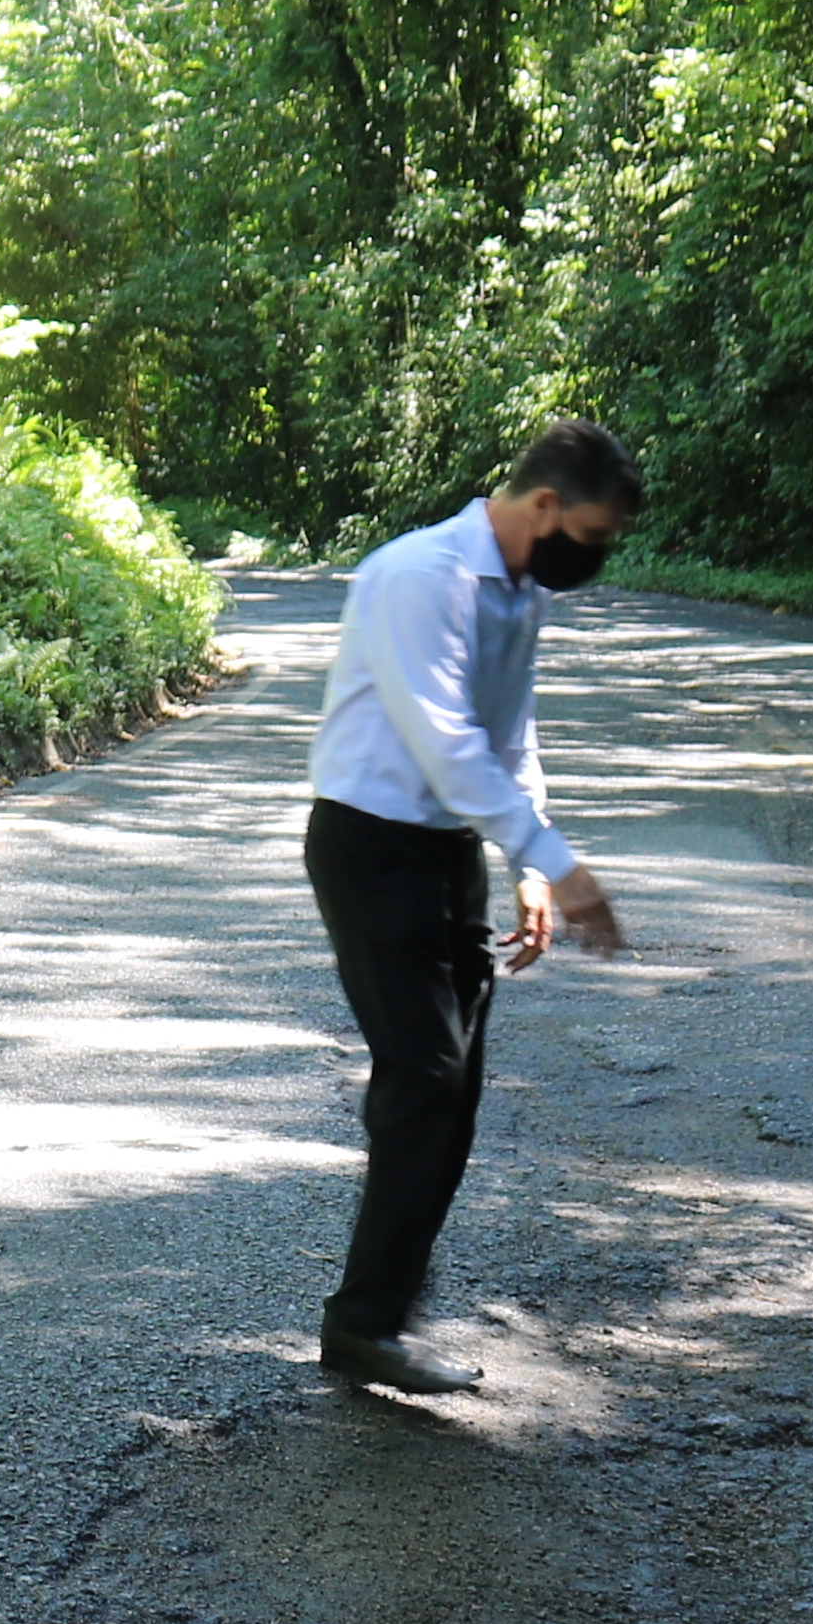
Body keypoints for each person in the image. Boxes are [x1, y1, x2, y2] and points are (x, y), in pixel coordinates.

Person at [304, 416, 642, 1396]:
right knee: (425, 1077)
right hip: (369, 846)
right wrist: (564, 866)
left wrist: (530, 868)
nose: (595, 554)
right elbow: (445, 742)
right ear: (545, 506)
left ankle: (375, 1317)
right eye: (594, 532)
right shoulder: (421, 577)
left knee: (448, 1097)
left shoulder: (520, 589)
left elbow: (509, 736)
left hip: (448, 852)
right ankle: (365, 1324)